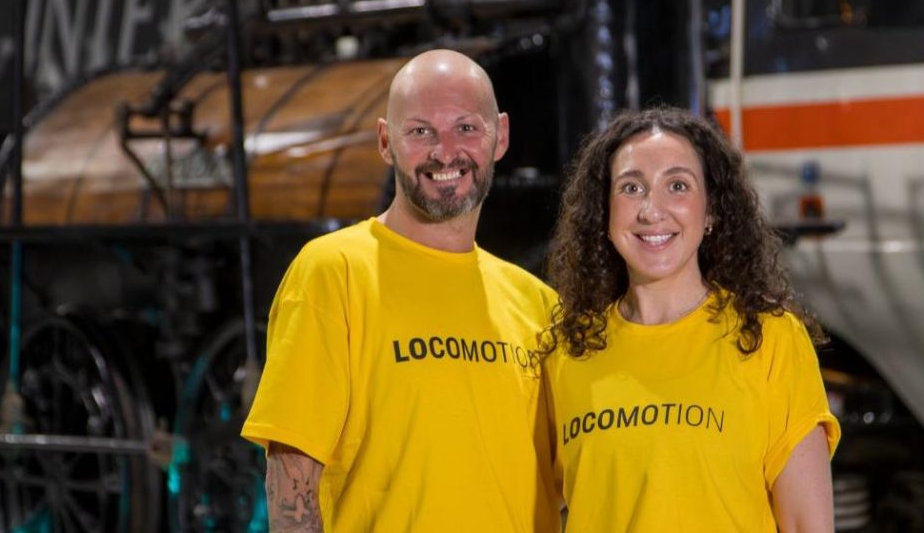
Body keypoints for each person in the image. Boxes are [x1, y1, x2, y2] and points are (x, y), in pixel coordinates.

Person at [242, 49, 560, 532]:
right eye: (420, 131)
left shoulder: (538, 305)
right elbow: (292, 483)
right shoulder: (334, 272)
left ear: (501, 136)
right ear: (385, 142)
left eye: (466, 127)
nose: (445, 151)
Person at [541, 107, 840, 531]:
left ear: (712, 212)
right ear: (603, 215)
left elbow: (805, 525)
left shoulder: (767, 338)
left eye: (677, 186)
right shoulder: (568, 353)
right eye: (631, 188)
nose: (651, 210)